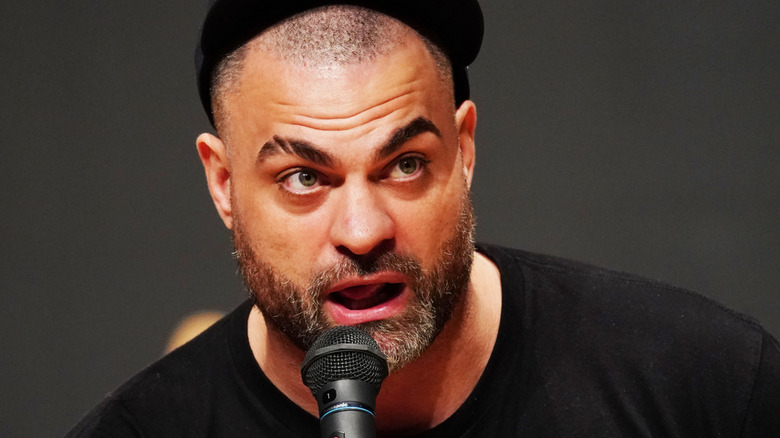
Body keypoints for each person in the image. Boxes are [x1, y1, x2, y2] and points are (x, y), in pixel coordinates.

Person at [66, 0, 780, 436]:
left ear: (464, 149)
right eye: (304, 178)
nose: (363, 230)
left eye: (404, 164)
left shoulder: (705, 386)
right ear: (223, 184)